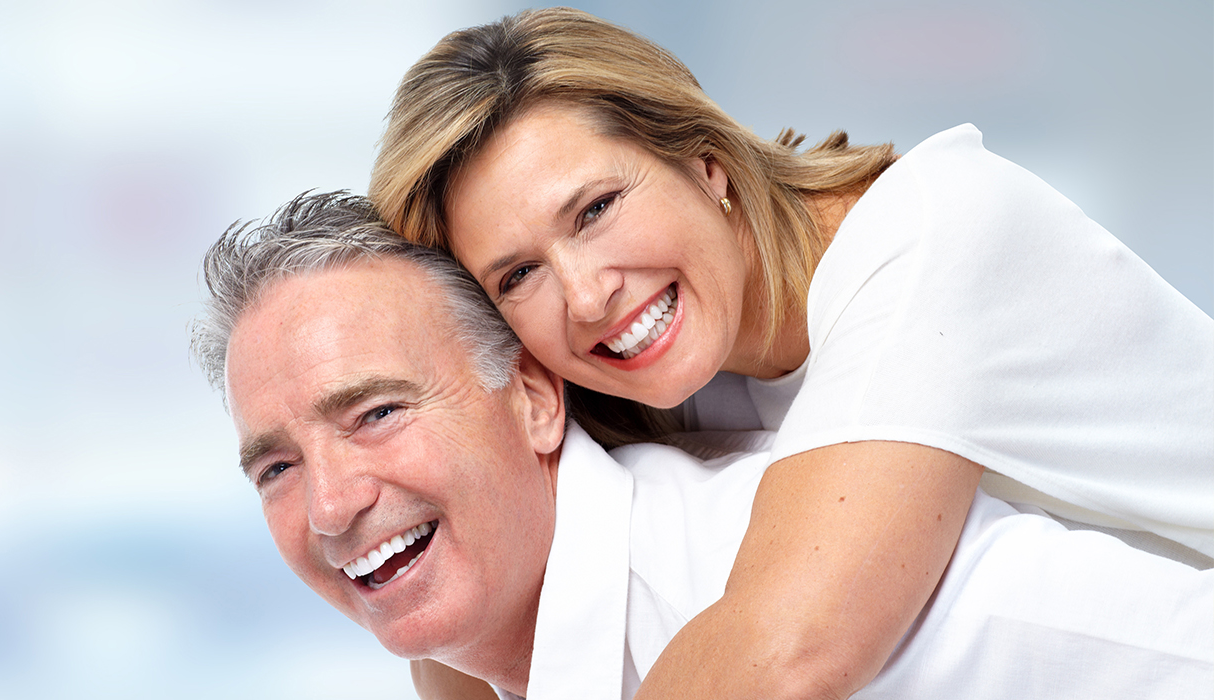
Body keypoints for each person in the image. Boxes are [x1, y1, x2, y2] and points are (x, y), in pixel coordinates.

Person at [366, 9, 1214, 699]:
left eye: (594, 210)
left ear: (705, 163)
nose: (587, 296)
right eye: (518, 275)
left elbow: (789, 655)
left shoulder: (935, 234)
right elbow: (473, 613)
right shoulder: (651, 357)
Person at [190, 191, 1214, 699]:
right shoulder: (535, 642)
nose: (328, 506)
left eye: (375, 414)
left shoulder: (793, 590)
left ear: (538, 402)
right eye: (276, 465)